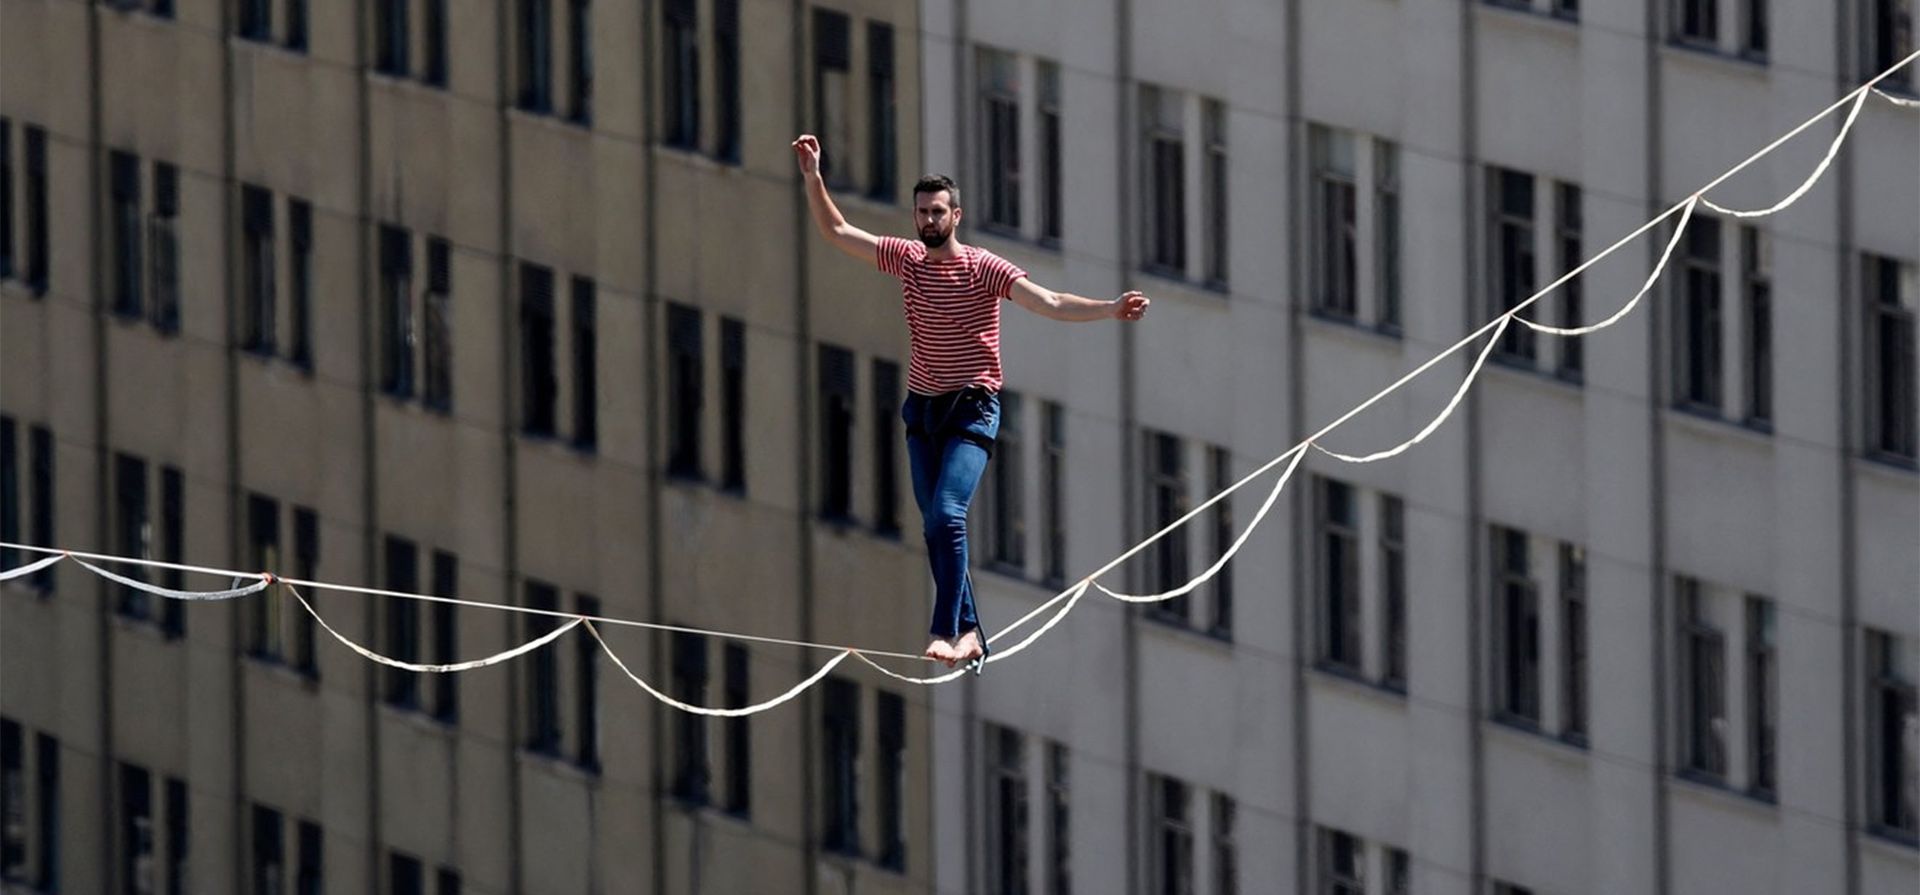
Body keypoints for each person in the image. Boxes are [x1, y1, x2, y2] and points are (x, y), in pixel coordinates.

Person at [792, 134, 1151, 668]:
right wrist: (813, 178)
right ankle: (971, 634)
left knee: (948, 514)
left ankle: (945, 629)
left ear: (955, 216)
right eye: (921, 213)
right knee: (934, 526)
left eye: (938, 212)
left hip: (972, 409)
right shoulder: (907, 260)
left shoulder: (985, 268)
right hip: (922, 412)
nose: (929, 221)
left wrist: (1109, 308)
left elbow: (1049, 301)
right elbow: (839, 231)